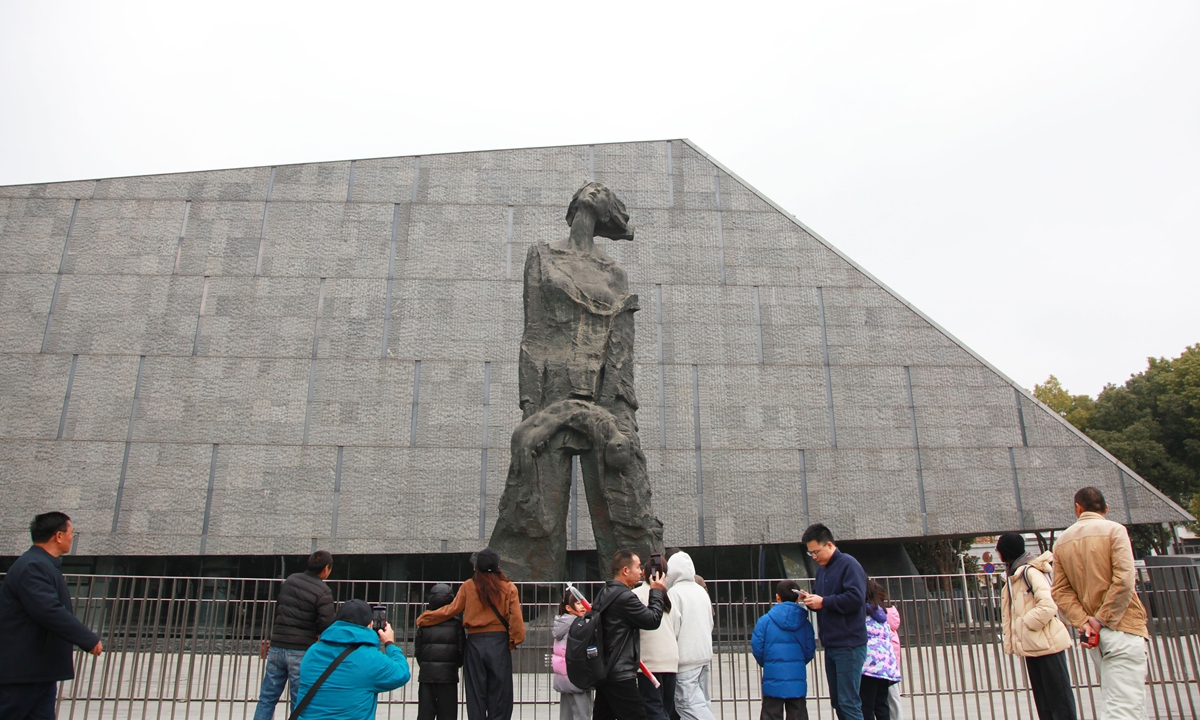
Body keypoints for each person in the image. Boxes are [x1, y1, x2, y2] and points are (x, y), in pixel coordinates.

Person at [1051, 487, 1148, 720]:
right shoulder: (1115, 530)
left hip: (1093, 634)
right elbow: (1124, 580)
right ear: (1106, 508)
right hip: (1122, 625)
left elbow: (1060, 590)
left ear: (1078, 508)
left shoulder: (1062, 541)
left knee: (1117, 698)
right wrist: (1101, 618)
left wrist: (1084, 621)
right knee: (1126, 706)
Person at [0, 512, 102, 720]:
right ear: (58, 536)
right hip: (24, 670)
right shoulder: (34, 566)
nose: (72, 538)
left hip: (38, 671)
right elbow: (48, 610)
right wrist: (87, 638)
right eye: (72, 533)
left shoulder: (40, 563)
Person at [417, 548, 525, 720]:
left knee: (475, 693)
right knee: (501, 693)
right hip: (499, 642)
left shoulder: (468, 586)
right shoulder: (508, 587)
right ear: (497, 566)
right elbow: (516, 620)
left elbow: (452, 610)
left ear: (477, 567)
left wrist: (426, 618)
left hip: (475, 643)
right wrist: (513, 641)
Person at [996, 533, 1077, 720]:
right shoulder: (1015, 574)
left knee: (1059, 699)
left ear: (1005, 552)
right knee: (1045, 701)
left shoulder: (1029, 572)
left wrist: (1026, 623)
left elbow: (1048, 604)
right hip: (1033, 644)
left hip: (1046, 644)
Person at [294, 599, 411, 719]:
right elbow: (401, 673)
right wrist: (390, 643)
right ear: (369, 625)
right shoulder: (370, 658)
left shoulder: (313, 651)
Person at [253, 550, 336, 720]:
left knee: (267, 697)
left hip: (277, 645)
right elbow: (326, 624)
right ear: (326, 569)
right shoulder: (323, 591)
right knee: (299, 700)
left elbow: (280, 609)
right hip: (300, 649)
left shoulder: (290, 580)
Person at [801, 523, 867, 720]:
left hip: (849, 643)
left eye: (816, 552)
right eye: (810, 553)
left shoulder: (849, 564)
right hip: (831, 643)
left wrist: (824, 601)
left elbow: (856, 598)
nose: (814, 557)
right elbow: (824, 601)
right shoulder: (822, 571)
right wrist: (811, 600)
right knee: (838, 701)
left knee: (849, 701)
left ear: (829, 544)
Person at [591, 549, 667, 720]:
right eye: (638, 567)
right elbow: (652, 620)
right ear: (625, 570)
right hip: (620, 672)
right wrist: (656, 591)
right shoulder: (625, 597)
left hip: (606, 669)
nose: (641, 572)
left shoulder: (605, 592)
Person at [751, 580, 816, 720]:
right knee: (798, 713)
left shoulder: (765, 620)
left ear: (777, 597)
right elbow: (809, 649)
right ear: (798, 598)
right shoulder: (805, 622)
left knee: (771, 713)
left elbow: (757, 647)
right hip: (797, 676)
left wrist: (768, 662)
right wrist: (799, 662)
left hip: (772, 676)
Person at [665, 549, 716, 720]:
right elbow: (710, 622)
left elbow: (673, 628)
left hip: (685, 658)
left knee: (687, 704)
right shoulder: (700, 591)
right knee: (703, 702)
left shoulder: (674, 593)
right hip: (704, 655)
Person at [634, 557, 680, 720]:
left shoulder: (635, 595)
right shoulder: (669, 597)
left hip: (649, 661)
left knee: (653, 708)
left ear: (644, 572)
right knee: (665, 708)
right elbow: (676, 626)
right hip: (670, 659)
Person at [415, 583, 467, 720]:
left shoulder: (424, 621)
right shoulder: (457, 625)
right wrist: (455, 665)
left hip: (427, 675)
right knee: (448, 714)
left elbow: (418, 651)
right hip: (448, 676)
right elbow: (461, 651)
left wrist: (426, 665)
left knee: (425, 714)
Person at [859, 580, 901, 720]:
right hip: (885, 668)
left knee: (866, 706)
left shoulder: (862, 614)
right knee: (881, 704)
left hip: (868, 667)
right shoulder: (882, 614)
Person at [552, 591, 592, 720]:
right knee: (583, 714)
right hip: (577, 676)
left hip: (564, 677)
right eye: (578, 603)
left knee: (566, 714)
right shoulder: (579, 624)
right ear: (568, 608)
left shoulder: (562, 623)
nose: (583, 606)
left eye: (583, 603)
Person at [884, 599, 903, 720]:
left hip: (880, 664)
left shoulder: (876, 615)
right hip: (891, 664)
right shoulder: (890, 615)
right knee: (893, 697)